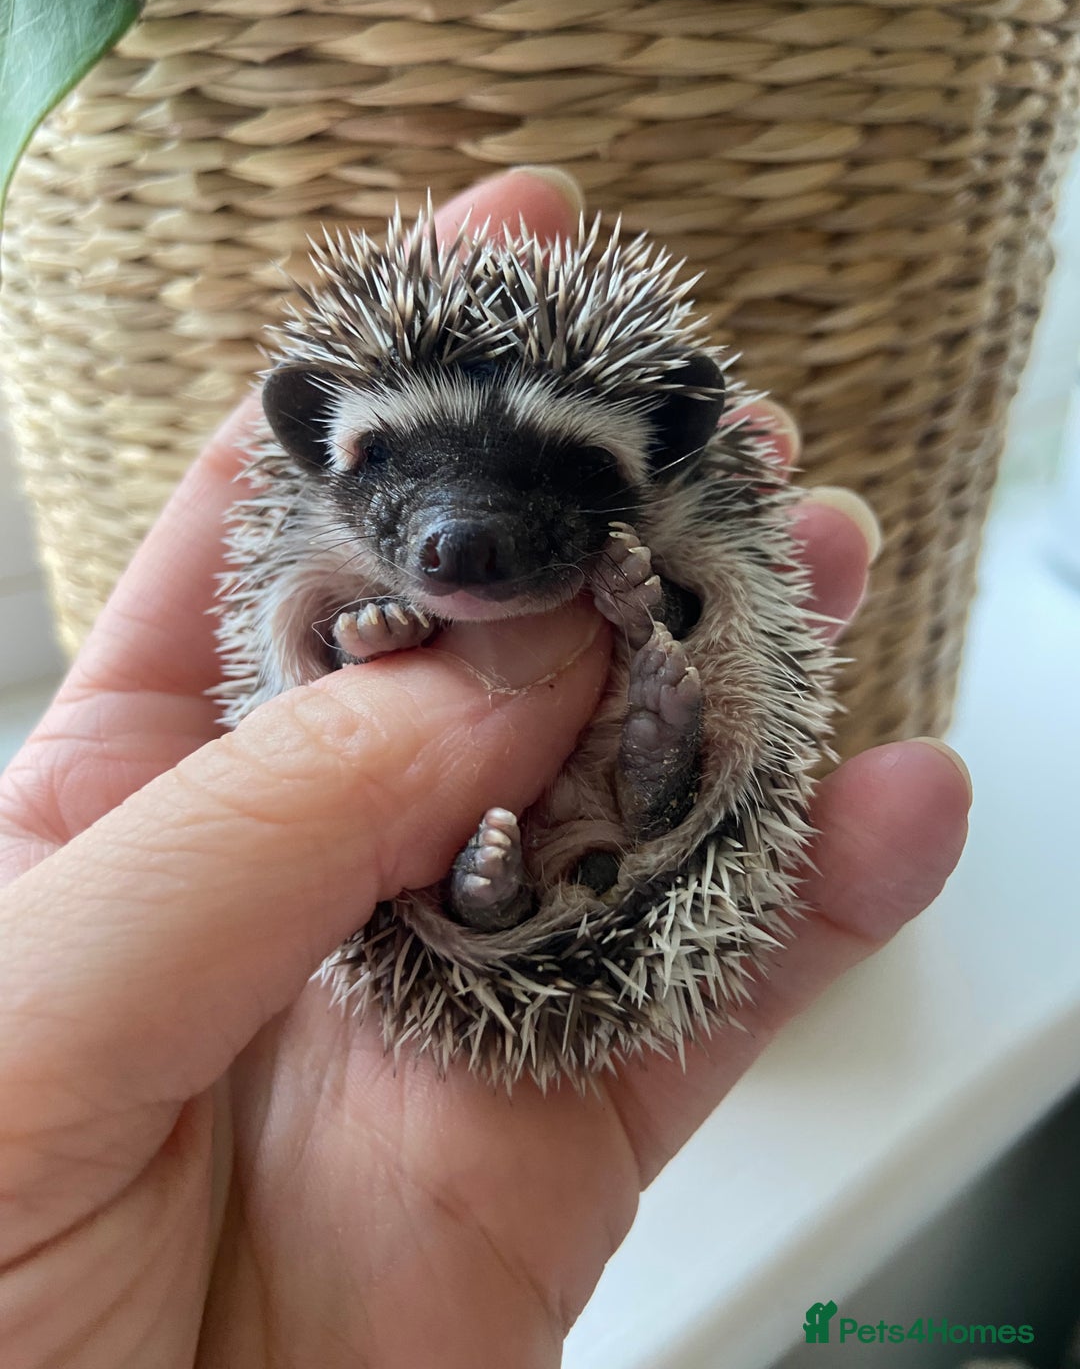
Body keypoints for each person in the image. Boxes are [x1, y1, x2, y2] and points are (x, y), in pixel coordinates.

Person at [0, 168, 971, 1368]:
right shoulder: (315, 555)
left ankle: (620, 810)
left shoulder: (689, 525)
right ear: (318, 443)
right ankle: (579, 836)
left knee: (719, 662)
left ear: (668, 449)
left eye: (567, 471)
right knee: (596, 665)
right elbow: (281, 646)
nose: (461, 536)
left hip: (616, 852)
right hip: (493, 898)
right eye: (394, 467)